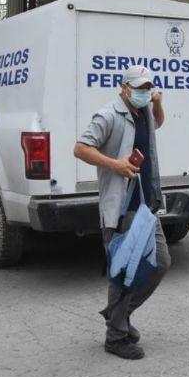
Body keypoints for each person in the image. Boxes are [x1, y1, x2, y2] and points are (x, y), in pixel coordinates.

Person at [74, 65, 171, 360]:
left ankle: (117, 317)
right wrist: (116, 164)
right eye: (139, 87)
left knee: (161, 261)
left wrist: (157, 102)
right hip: (120, 207)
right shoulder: (108, 115)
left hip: (145, 203)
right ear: (124, 88)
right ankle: (116, 337)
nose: (143, 91)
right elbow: (80, 148)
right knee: (122, 272)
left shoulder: (143, 112)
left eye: (147, 87)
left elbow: (159, 122)